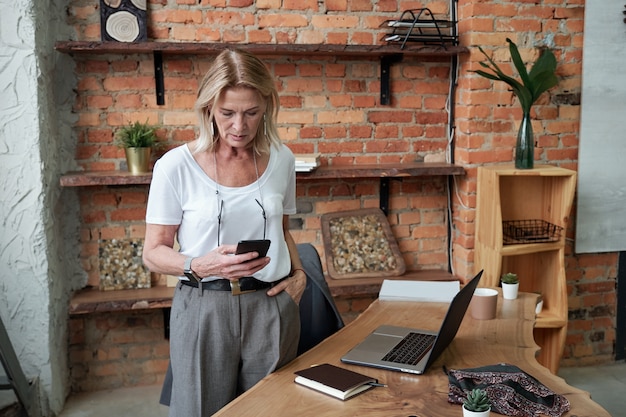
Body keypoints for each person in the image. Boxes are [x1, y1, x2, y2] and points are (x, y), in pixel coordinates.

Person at [142, 48, 306, 416]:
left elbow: (282, 229)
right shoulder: (175, 166)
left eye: (251, 113)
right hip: (204, 306)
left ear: (267, 107)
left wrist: (299, 276)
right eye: (227, 113)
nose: (239, 126)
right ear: (208, 109)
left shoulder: (282, 159)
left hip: (272, 306)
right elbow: (153, 251)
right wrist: (200, 264)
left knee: (273, 411)